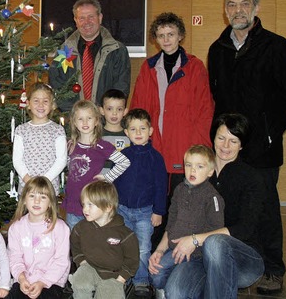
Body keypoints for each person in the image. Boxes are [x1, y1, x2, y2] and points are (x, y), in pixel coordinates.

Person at [207, 0, 286, 294]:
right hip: (228, 148)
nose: (238, 10)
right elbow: (217, 96)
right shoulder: (217, 49)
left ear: (256, 8)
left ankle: (273, 268)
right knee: (230, 206)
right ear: (225, 9)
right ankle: (234, 262)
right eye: (231, 4)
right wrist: (220, 138)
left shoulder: (278, 47)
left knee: (266, 209)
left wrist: (270, 133)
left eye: (245, 4)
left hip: (263, 147)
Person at [160, 113, 265, 299]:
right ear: (213, 137)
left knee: (215, 243)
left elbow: (246, 228)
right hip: (199, 255)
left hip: (243, 258)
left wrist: (195, 239)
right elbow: (175, 218)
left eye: (233, 141)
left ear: (242, 145)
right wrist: (160, 249)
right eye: (221, 138)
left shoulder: (252, 178)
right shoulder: (195, 171)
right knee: (175, 292)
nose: (225, 146)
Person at [130, 12, 214, 191]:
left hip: (183, 147)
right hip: (154, 146)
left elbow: (205, 109)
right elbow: (138, 107)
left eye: (171, 34)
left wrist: (199, 148)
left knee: (181, 202)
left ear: (180, 36)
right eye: (161, 35)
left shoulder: (194, 67)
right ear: (156, 39)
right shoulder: (148, 67)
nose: (166, 39)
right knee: (157, 204)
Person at [149, 145, 224, 294]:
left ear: (210, 171)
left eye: (199, 166)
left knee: (174, 289)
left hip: (197, 255)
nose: (192, 170)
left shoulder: (212, 197)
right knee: (155, 275)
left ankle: (194, 283)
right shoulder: (179, 190)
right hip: (173, 250)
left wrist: (194, 242)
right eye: (188, 165)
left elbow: (217, 233)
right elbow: (170, 224)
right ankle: (178, 282)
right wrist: (159, 249)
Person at [111, 109, 167, 297]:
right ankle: (123, 277)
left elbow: (161, 186)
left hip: (145, 212)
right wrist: (111, 205)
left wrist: (158, 211)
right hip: (122, 210)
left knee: (143, 247)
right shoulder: (121, 155)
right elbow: (112, 180)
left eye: (142, 128)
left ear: (150, 131)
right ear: (126, 132)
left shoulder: (156, 158)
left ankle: (141, 280)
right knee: (123, 244)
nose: (138, 133)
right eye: (133, 129)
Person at [49, 0, 131, 111]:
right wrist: (75, 114)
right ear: (75, 21)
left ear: (100, 18)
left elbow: (121, 88)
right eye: (82, 18)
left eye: (91, 17)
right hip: (74, 121)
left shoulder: (117, 51)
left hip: (105, 121)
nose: (86, 22)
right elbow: (57, 86)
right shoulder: (64, 52)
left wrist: (105, 113)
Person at [64, 100, 130, 229]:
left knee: (93, 242)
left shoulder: (102, 146)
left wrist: (108, 177)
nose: (85, 123)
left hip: (94, 205)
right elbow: (68, 167)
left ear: (96, 121)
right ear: (74, 122)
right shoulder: (71, 145)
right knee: (74, 242)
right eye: (80, 119)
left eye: (89, 118)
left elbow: (124, 162)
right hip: (72, 204)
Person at [69, 181, 139, 299]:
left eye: (90, 205)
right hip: (89, 267)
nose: (85, 209)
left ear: (108, 207)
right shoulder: (81, 227)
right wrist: (81, 261)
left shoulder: (125, 234)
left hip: (113, 274)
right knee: (79, 282)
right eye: (84, 204)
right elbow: (75, 244)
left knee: (108, 295)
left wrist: (121, 279)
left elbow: (132, 260)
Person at [7, 176, 70, 299]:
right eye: (32, 196)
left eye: (42, 197)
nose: (36, 201)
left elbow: (61, 261)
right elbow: (14, 257)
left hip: (51, 282)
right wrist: (21, 278)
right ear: (24, 199)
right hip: (23, 280)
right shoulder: (16, 228)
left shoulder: (60, 228)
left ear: (50, 203)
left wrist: (42, 282)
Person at [12, 83, 67, 194]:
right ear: (28, 104)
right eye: (36, 101)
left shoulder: (57, 130)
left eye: (45, 101)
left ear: (52, 105)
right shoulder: (21, 130)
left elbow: (61, 160)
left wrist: (44, 180)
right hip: (27, 187)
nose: (41, 105)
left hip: (48, 187)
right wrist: (28, 180)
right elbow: (17, 160)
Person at [99, 89, 130, 177]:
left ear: (125, 111)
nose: (114, 113)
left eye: (119, 109)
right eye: (109, 109)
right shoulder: (96, 135)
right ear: (102, 110)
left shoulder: (129, 136)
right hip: (101, 184)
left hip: (123, 183)